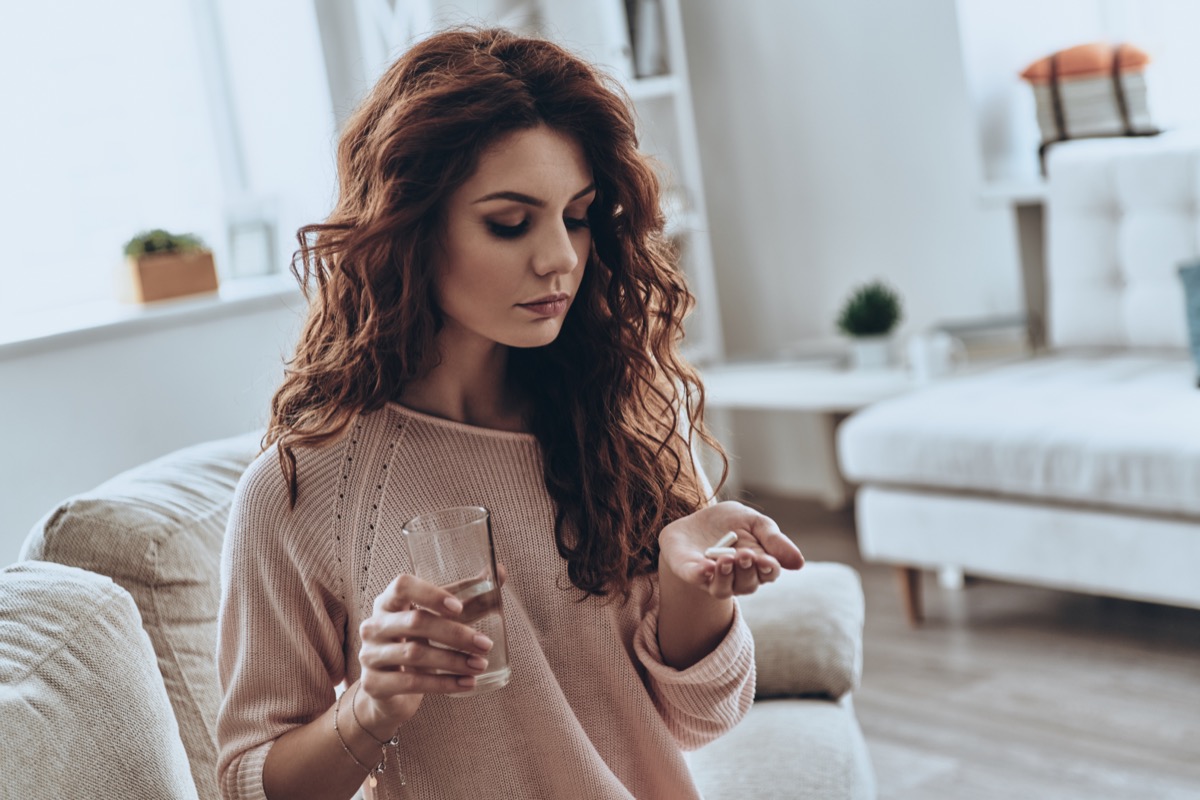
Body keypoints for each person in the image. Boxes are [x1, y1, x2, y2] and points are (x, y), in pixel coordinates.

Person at [216, 26, 804, 800]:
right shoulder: (300, 490)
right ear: (410, 227)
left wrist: (690, 584)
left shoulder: (629, 414)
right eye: (509, 221)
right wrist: (370, 708)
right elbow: (248, 784)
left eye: (578, 215)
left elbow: (701, 720)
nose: (559, 255)